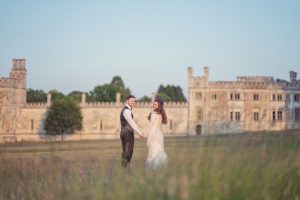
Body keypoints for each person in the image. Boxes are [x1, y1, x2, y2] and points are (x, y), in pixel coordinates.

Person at [120, 95, 144, 168]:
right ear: (127, 101)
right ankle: (125, 168)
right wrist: (139, 132)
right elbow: (131, 122)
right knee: (128, 151)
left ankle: (124, 168)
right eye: (131, 101)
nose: (133, 102)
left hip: (124, 132)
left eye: (134, 101)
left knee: (125, 150)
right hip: (127, 133)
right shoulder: (126, 110)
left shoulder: (125, 110)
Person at [144, 98, 168, 170]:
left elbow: (151, 125)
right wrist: (161, 136)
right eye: (153, 104)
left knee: (153, 150)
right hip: (159, 135)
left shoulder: (153, 113)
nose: (153, 105)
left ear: (159, 106)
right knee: (159, 150)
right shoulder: (160, 114)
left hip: (153, 134)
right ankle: (160, 167)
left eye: (155, 104)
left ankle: (153, 167)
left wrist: (145, 134)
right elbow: (160, 127)